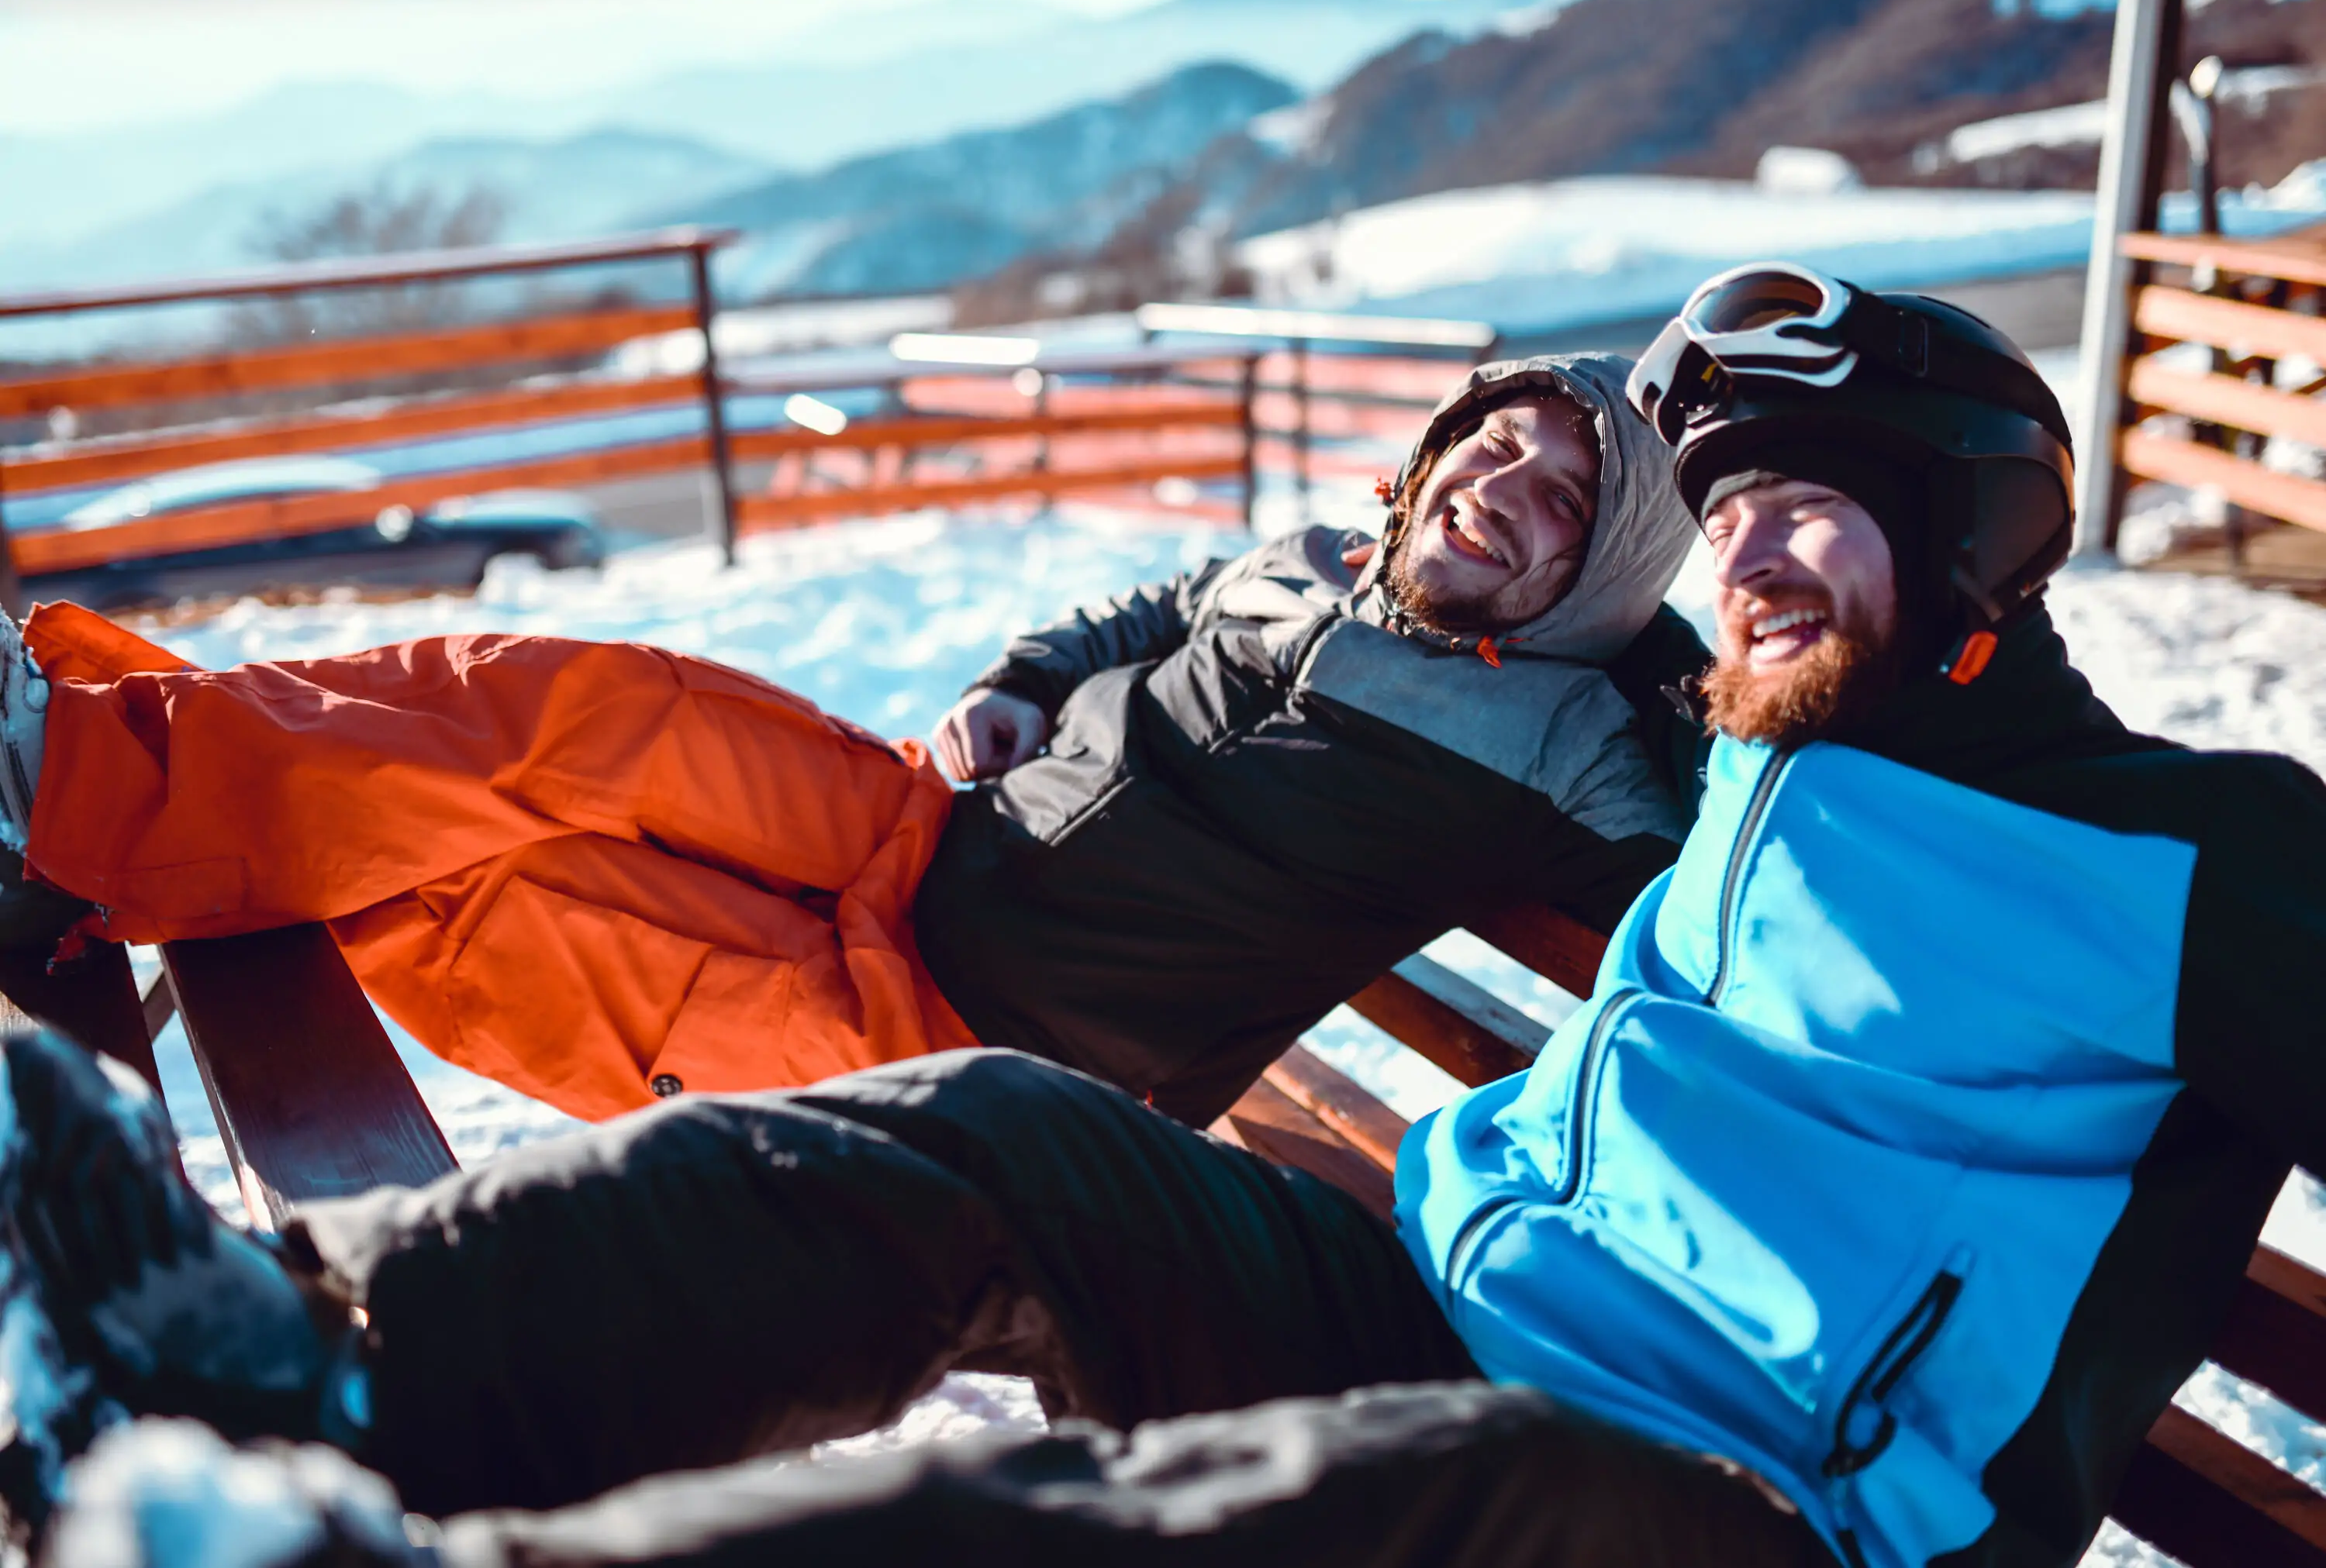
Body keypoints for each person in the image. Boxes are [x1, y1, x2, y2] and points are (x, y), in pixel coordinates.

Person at [12, 263, 2320, 1568]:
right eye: (1732, 527)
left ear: (1986, 556)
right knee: (995, 1137)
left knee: (1314, 1507)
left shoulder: (2200, 854)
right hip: (1422, 1282)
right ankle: (288, 1353)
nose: (1751, 561)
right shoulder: (1736, 742)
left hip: (1739, 1506)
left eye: (1812, 516)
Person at [0, 353, 1700, 1129]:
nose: (1499, 493)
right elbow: (1147, 608)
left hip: (966, 1034)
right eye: (1494, 449)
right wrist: (1029, 673)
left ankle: (68, 841)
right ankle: (70, 758)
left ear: (1598, 584)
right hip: (914, 818)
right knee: (553, 695)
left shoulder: (1570, 739)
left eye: (1560, 504)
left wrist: (1719, 654)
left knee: (487, 893)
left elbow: (1725, 854)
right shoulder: (1318, 555)